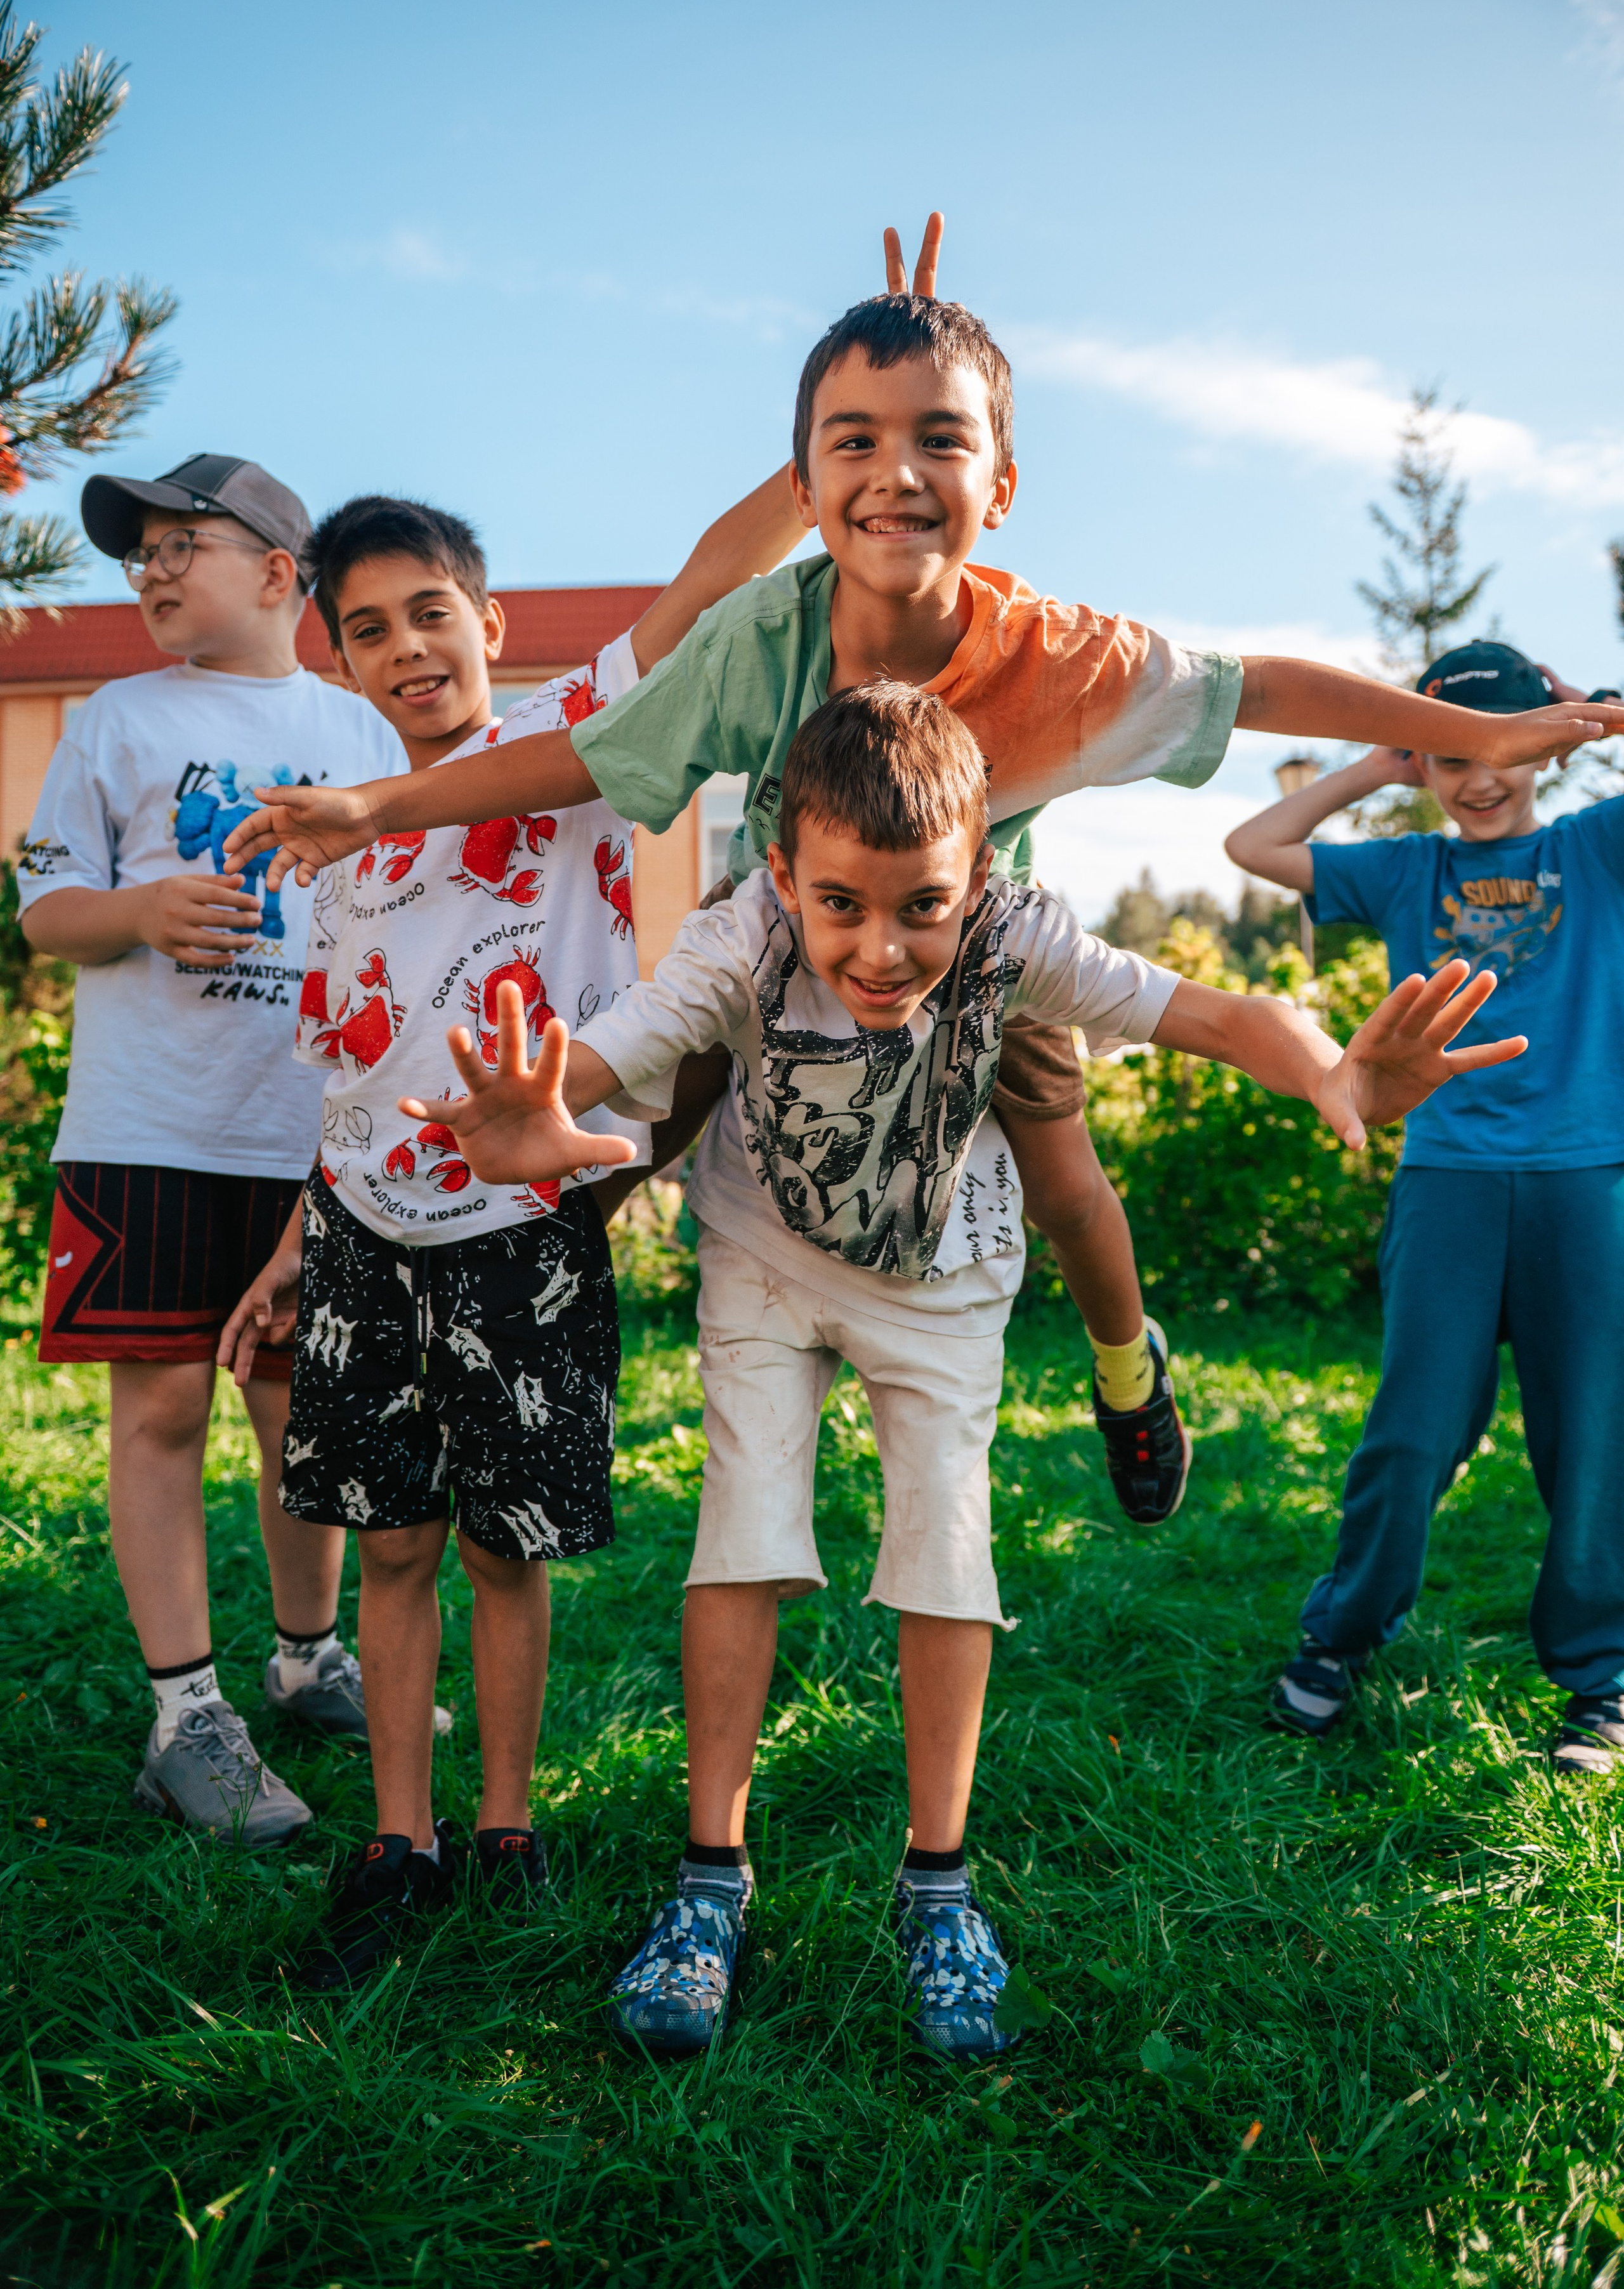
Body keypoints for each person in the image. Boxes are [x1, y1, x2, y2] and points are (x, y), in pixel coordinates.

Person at [222, 290, 1624, 1536]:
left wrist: (1466, 732)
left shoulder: (1057, 657)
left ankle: (1126, 1367)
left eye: (936, 440)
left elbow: (1257, 688)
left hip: (975, 943)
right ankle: (527, 1295)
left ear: (997, 482)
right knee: (658, 1102)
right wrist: (380, 807)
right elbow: (585, 758)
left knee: (1058, 1167)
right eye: (858, 442)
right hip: (791, 931)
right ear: (810, 482)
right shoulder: (760, 640)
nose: (895, 473)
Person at [409, 681, 1521, 2056]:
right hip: (765, 1252)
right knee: (740, 1532)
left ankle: (937, 1883)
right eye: (841, 906)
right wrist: (545, 1098)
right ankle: (710, 1877)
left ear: (978, 878)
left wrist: (1331, 1073)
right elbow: (624, 1044)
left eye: (920, 907)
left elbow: (1213, 1012)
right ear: (783, 875)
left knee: (944, 1544)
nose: (879, 950)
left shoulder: (1017, 933)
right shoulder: (741, 930)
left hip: (943, 1271)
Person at [219, 473, 809, 1986]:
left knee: (501, 1551)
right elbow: (346, 1076)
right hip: (362, 1235)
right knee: (393, 1546)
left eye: (430, 614)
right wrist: (295, 1243)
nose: (407, 648)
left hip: (521, 1234)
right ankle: (397, 1838)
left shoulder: (573, 739)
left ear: (487, 625)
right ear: (340, 660)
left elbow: (701, 579)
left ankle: (502, 1825)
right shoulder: (336, 844)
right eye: (368, 630)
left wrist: (822, 464)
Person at [16, 454, 410, 1845]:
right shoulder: (116, 719)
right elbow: (44, 912)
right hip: (149, 1129)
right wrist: (140, 912)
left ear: (278, 573)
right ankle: (186, 1717)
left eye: (184, 543)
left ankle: (309, 1660)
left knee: (300, 1410)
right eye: (143, 553)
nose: (153, 570)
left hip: (307, 1138)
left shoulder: (361, 732)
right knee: (165, 1410)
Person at [1224, 640, 1624, 1775]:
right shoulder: (1408, 871)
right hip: (1447, 1180)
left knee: (1594, 1436)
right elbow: (1254, 846)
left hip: (1587, 1179)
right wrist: (1380, 760)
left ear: (1545, 753)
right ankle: (1341, 1637)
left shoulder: (1596, 848)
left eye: (1505, 752)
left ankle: (1602, 1680)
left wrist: (1593, 718)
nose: (1481, 778)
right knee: (1412, 1431)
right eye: (1454, 757)